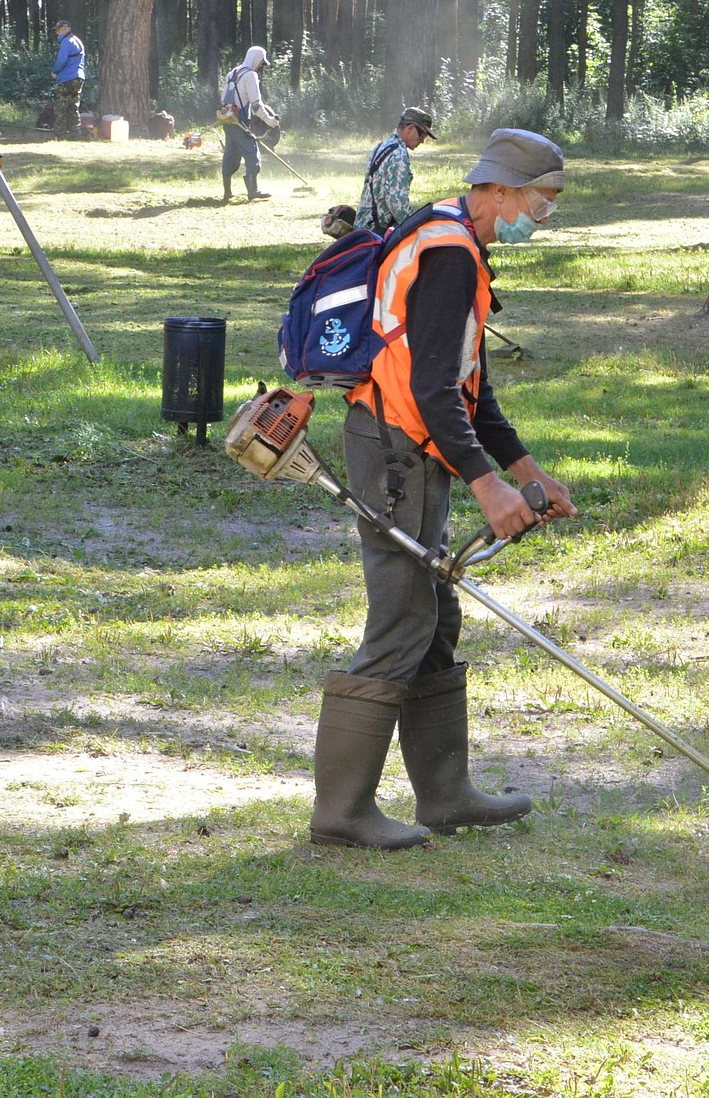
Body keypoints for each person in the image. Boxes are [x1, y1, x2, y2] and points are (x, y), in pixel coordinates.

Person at [309, 128, 578, 851]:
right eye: (539, 200)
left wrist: (527, 474)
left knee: (436, 611)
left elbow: (470, 387)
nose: (542, 216)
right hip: (394, 451)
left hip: (412, 447)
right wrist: (488, 488)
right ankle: (342, 813)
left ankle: (446, 794)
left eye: (549, 204)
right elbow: (430, 389)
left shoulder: (455, 235)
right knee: (403, 617)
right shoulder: (451, 252)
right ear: (496, 190)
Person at [353, 107, 437, 234]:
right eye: (422, 134)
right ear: (410, 128)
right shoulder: (398, 154)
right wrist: (417, 226)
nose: (423, 141)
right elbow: (396, 202)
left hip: (363, 225)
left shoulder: (382, 146)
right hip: (377, 232)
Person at [219, 46, 280, 203]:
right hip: (240, 122)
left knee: (230, 153)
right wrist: (270, 121)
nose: (260, 66)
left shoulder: (232, 73)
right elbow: (256, 106)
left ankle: (227, 192)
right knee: (252, 154)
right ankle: (253, 191)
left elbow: (223, 98)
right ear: (255, 59)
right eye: (261, 63)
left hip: (228, 120)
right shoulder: (250, 75)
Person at [50, 20, 86, 140]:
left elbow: (61, 61)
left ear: (65, 29)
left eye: (58, 30)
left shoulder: (66, 41)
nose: (57, 33)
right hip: (79, 78)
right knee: (73, 106)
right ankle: (75, 133)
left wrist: (54, 72)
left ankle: (60, 134)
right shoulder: (77, 41)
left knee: (60, 106)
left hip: (67, 78)